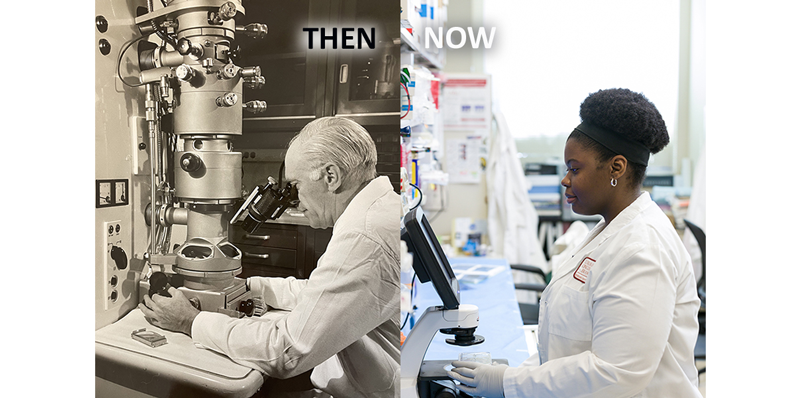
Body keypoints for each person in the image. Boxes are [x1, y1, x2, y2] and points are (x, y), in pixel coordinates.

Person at [448, 88, 701, 397]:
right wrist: (514, 375)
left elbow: (616, 372)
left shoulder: (642, 248)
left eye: (575, 168)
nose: (565, 180)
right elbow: (571, 346)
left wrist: (506, 383)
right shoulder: (611, 230)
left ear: (616, 168)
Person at [139, 117, 401, 398]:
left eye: (295, 185)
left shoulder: (364, 235)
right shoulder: (380, 212)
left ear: (331, 177)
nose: (294, 199)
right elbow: (324, 293)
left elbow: (285, 351)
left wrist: (190, 321)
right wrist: (250, 286)